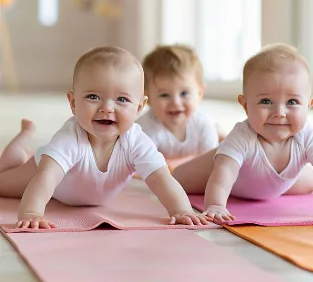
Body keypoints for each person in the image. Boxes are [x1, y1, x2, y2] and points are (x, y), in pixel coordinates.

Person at [0, 46, 208, 229]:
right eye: (93, 97)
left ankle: (21, 152)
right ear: (73, 102)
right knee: (2, 183)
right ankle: (19, 147)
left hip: (78, 194)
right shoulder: (71, 137)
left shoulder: (136, 141)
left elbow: (161, 178)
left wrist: (182, 210)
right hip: (43, 169)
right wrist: (32, 213)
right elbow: (47, 178)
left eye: (121, 99)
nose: (107, 108)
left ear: (139, 107)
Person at [172, 43, 313, 224]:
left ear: (309, 105)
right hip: (224, 174)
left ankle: (272, 183)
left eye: (292, 101)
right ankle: (214, 152)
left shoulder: (307, 136)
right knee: (178, 179)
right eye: (266, 101)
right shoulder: (244, 135)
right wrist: (215, 205)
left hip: (270, 186)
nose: (279, 112)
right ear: (245, 105)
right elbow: (225, 171)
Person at [137, 44, 220, 165]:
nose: (175, 102)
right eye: (164, 95)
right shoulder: (144, 130)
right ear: (147, 98)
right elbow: (145, 166)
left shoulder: (203, 124)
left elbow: (212, 162)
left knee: (226, 147)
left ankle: (219, 131)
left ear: (200, 93)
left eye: (184, 93)